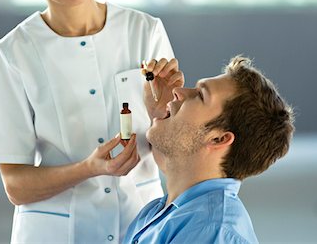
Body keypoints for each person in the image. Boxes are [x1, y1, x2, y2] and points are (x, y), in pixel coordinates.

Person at [0, 0, 184, 243]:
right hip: (55, 232)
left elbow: (176, 159)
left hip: (140, 225)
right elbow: (16, 187)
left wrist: (160, 114)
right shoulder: (14, 53)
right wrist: (87, 169)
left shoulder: (144, 31)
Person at [125, 56, 295, 244]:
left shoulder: (211, 232)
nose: (177, 91)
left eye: (200, 96)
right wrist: (163, 114)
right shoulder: (164, 212)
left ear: (218, 139)